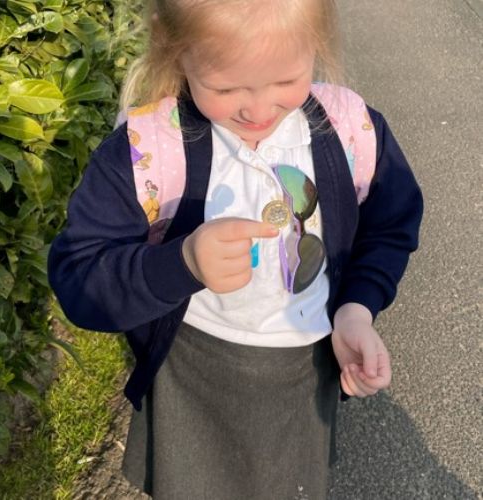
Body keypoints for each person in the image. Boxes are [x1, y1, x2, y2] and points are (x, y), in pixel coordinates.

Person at [48, 0, 423, 498]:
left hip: (303, 370)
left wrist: (357, 307)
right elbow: (79, 277)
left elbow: (391, 223)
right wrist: (181, 263)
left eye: (286, 80)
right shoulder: (148, 151)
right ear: (173, 47)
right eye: (225, 89)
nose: (258, 111)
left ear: (316, 43)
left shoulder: (350, 131)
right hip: (192, 372)